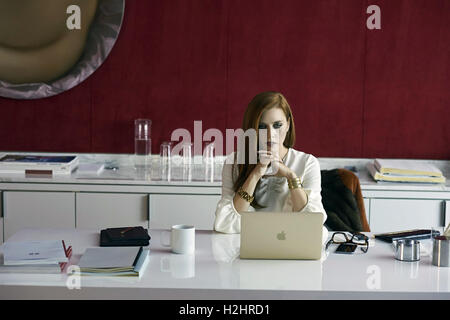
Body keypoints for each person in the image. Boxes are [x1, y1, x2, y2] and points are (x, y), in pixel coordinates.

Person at [214, 91, 328, 244]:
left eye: (277, 125)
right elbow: (225, 223)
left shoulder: (307, 163)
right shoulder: (234, 162)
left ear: (288, 125)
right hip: (245, 250)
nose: (270, 134)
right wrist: (255, 174)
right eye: (262, 126)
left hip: (292, 249)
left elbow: (313, 224)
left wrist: (291, 177)